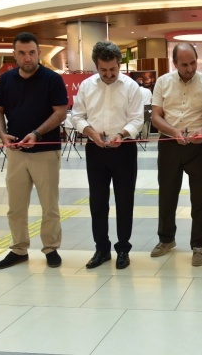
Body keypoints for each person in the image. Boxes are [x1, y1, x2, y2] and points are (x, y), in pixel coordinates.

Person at [0, 32, 68, 269]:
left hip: (45, 151)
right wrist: (2, 133)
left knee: (49, 206)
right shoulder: (6, 80)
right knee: (16, 206)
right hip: (16, 153)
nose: (27, 58)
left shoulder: (52, 79)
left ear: (39, 53)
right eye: (22, 53)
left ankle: (51, 248)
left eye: (32, 52)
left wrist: (37, 133)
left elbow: (60, 112)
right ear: (14, 55)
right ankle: (19, 249)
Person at [72, 41, 143, 270]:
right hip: (95, 149)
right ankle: (101, 249)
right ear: (96, 66)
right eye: (103, 70)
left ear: (118, 64)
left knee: (124, 201)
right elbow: (77, 116)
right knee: (98, 202)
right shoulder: (86, 86)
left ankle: (123, 248)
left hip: (123, 149)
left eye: (113, 69)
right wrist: (91, 132)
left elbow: (137, 119)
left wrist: (122, 134)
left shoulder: (131, 87)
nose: (109, 74)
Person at [150, 43, 202, 267]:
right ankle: (166, 239)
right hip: (169, 142)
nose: (190, 68)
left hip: (198, 146)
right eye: (184, 64)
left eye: (193, 63)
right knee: (167, 194)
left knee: (200, 196)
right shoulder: (163, 82)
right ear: (175, 63)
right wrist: (172, 131)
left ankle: (199, 245)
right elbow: (156, 116)